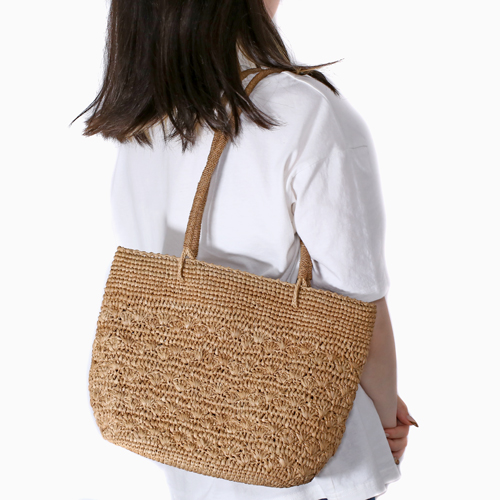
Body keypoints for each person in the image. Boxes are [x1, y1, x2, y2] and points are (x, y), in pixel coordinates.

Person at [74, 0, 417, 498]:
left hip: (188, 455)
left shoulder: (139, 116)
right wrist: (385, 421)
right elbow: (359, 302)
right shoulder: (299, 111)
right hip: (313, 458)